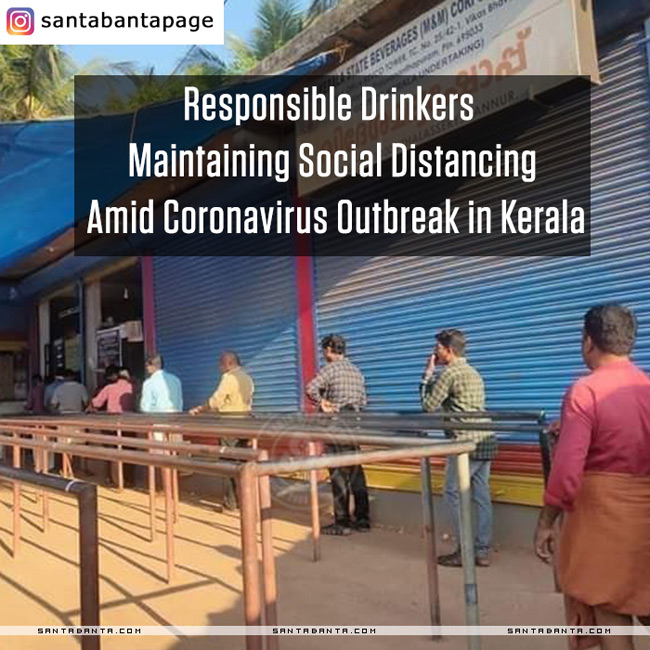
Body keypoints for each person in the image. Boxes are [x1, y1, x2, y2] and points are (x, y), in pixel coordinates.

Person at [534, 305, 650, 649]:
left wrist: (546, 521)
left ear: (588, 342)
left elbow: (568, 469)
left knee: (608, 606)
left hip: (602, 519)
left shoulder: (585, 391)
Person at [420, 328, 495, 567]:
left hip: (464, 442)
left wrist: (427, 375)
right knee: (481, 496)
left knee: (452, 492)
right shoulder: (474, 372)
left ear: (448, 350)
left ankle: (465, 550)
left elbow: (429, 406)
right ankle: (481, 550)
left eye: (437, 349)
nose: (435, 353)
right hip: (486, 440)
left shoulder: (449, 373)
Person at [306, 334, 369, 536]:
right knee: (356, 473)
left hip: (336, 428)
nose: (323, 354)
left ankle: (342, 522)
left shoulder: (330, 369)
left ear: (329, 350)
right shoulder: (356, 371)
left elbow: (311, 388)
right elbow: (363, 401)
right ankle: (363, 519)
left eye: (324, 350)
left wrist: (322, 403)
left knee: (338, 475)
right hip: (354, 428)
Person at [189, 351, 254, 510]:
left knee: (228, 463)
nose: (219, 367)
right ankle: (245, 500)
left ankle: (230, 502)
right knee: (243, 463)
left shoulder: (229, 378)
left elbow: (216, 401)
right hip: (245, 424)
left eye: (220, 364)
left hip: (229, 424)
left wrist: (200, 409)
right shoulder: (247, 378)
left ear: (228, 363)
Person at [90, 365, 136, 485]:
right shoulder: (133, 388)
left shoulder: (109, 388)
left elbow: (97, 403)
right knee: (130, 451)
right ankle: (129, 479)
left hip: (111, 425)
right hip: (131, 424)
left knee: (112, 452)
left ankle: (113, 479)